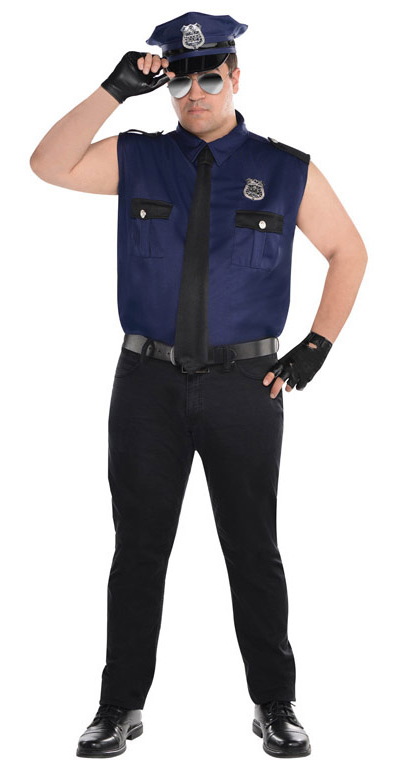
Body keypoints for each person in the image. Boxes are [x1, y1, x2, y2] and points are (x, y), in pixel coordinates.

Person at [29, 11, 368, 760]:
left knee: (253, 549)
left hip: (247, 385)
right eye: (180, 82)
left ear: (235, 78)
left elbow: (349, 250)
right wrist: (112, 91)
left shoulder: (285, 168)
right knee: (138, 550)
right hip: (145, 383)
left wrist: (315, 347)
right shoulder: (138, 158)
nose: (195, 94)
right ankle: (119, 705)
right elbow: (47, 164)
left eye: (209, 77)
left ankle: (275, 704)